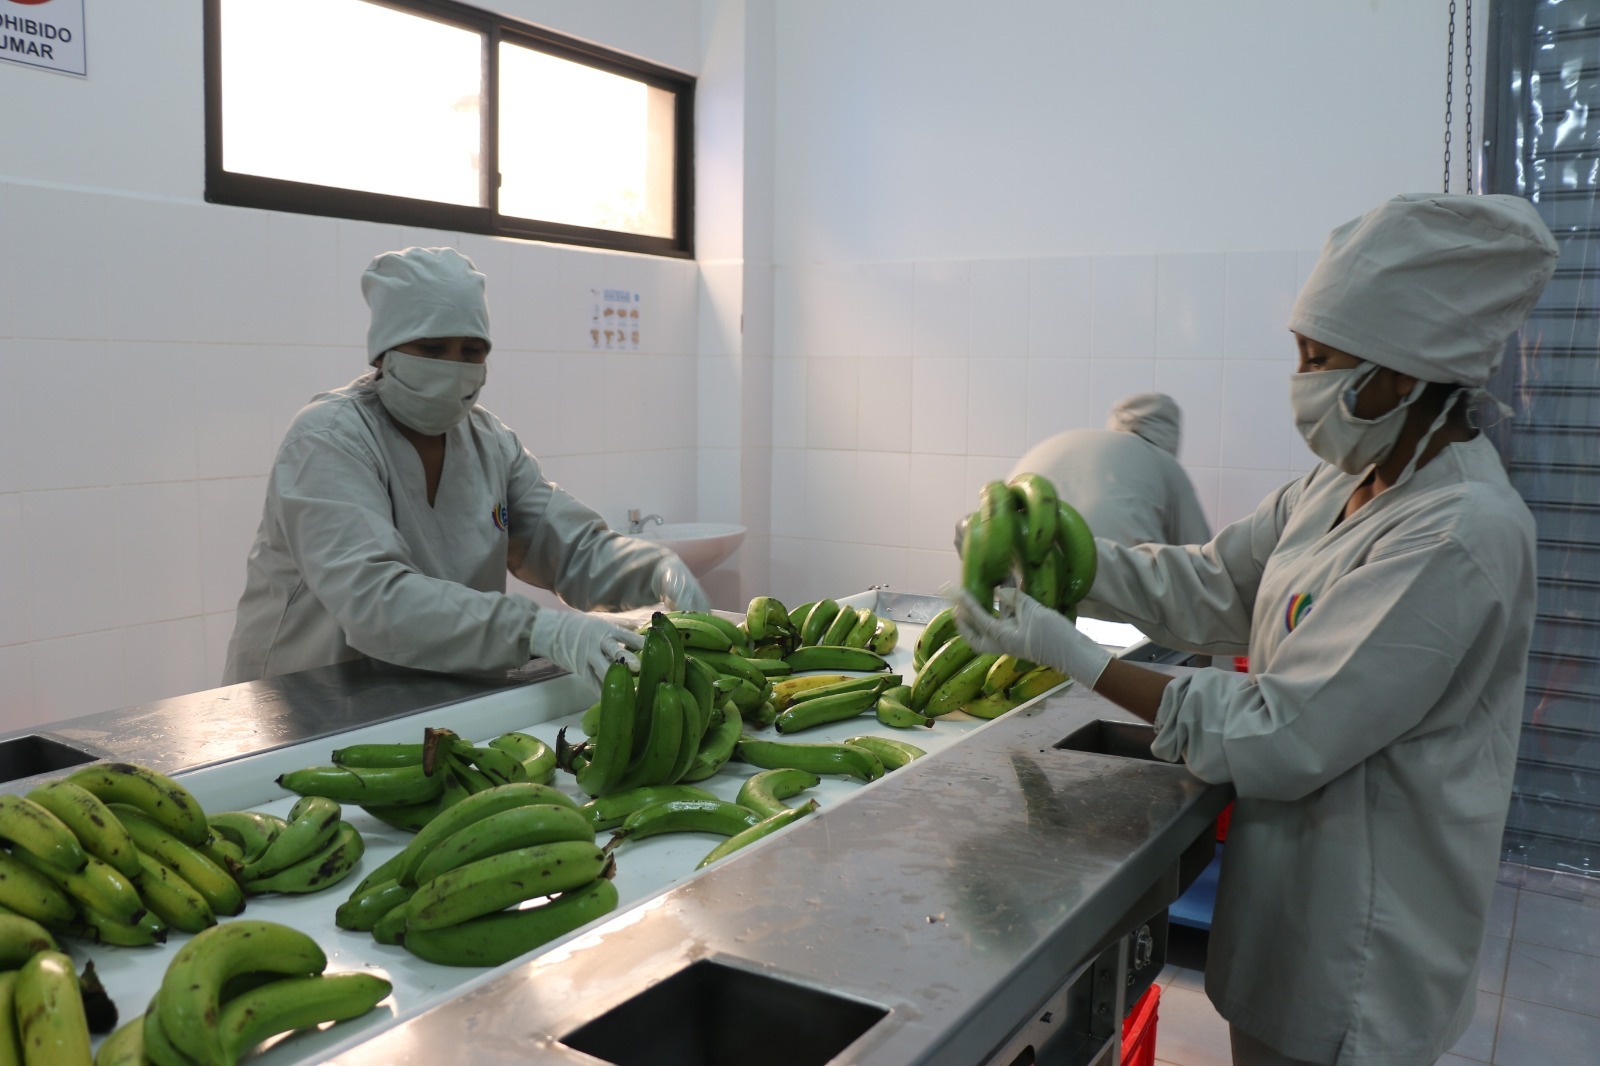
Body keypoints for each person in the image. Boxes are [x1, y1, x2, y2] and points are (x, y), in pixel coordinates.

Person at [953, 193, 1557, 1065]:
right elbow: (1215, 581)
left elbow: (1285, 728)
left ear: (1403, 371)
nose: (1302, 382)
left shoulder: (1460, 533)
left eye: (1322, 359)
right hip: (1285, 910)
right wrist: (1061, 564)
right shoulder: (1337, 482)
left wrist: (1071, 651)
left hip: (1363, 945)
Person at [223, 246, 708, 690]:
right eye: (433, 350)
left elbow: (568, 546)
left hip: (431, 691)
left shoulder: (489, 442)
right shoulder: (327, 440)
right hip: (305, 699)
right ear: (385, 353)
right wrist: (536, 628)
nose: (454, 366)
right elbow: (375, 600)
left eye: (471, 351)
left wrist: (652, 569)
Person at [1009, 392, 1211, 547]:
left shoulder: (1072, 440)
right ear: (1170, 435)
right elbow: (1201, 560)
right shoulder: (1164, 463)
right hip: (1102, 576)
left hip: (1006, 550)